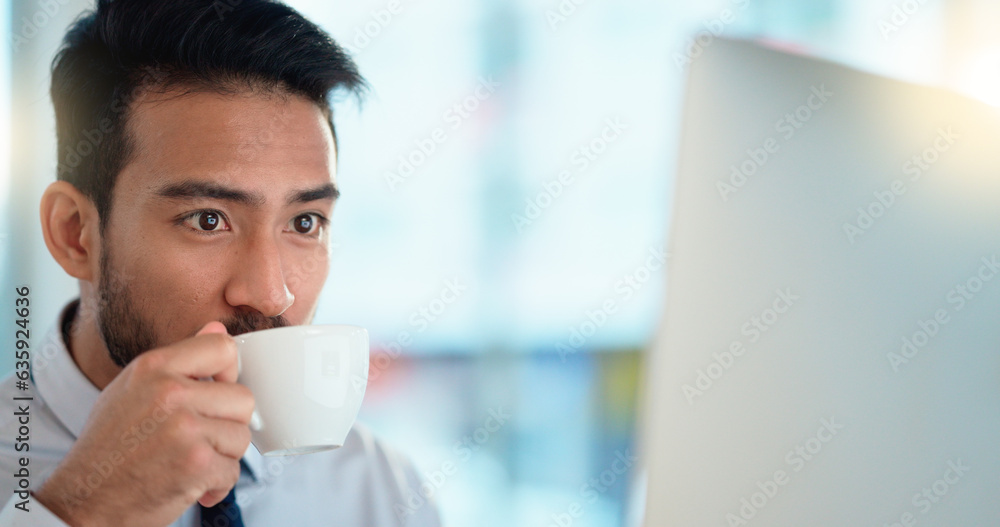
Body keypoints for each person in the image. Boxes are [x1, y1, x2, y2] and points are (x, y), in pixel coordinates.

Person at [0, 1, 441, 525]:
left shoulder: (379, 489)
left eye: (304, 223)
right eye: (208, 220)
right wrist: (81, 513)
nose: (272, 294)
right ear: (75, 234)